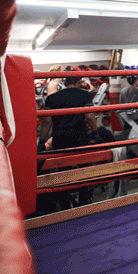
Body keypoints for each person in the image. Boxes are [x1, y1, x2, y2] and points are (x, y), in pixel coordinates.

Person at [39, 75, 99, 208]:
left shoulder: (52, 98)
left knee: (63, 169)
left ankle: (65, 202)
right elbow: (89, 116)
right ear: (78, 82)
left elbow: (47, 120)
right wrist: (95, 132)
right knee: (84, 167)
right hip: (80, 136)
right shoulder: (84, 94)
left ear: (65, 82)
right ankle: (84, 200)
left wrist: (42, 140)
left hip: (61, 137)